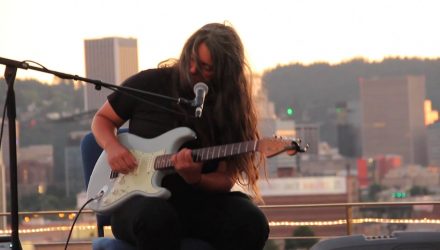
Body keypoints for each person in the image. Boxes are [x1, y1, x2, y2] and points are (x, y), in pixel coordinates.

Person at [91, 22, 269, 250]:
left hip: (196, 203)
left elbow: (225, 179)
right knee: (157, 219)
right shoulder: (150, 83)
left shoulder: (231, 110)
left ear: (225, 73)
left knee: (250, 221)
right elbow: (102, 119)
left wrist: (197, 179)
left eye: (206, 67)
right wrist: (113, 147)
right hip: (136, 202)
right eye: (191, 59)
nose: (193, 69)